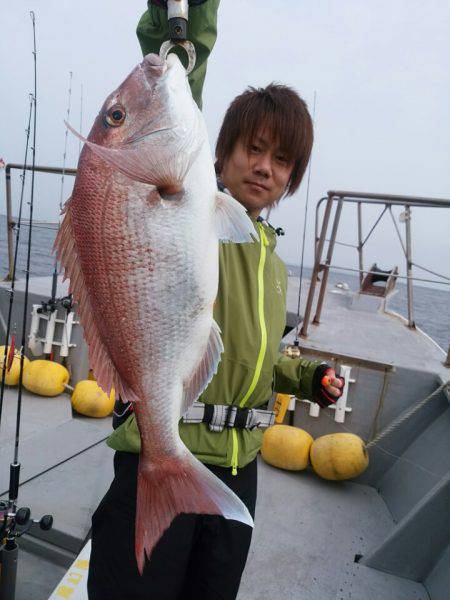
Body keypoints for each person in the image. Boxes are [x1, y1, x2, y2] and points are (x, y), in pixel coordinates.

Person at [87, 2, 344, 599]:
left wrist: (306, 377)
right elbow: (175, 77)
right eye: (253, 149)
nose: (265, 168)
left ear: (294, 176)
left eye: (283, 160)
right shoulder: (197, 212)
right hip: (167, 447)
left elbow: (249, 353)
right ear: (219, 152)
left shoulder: (269, 258)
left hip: (237, 468)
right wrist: (184, 15)